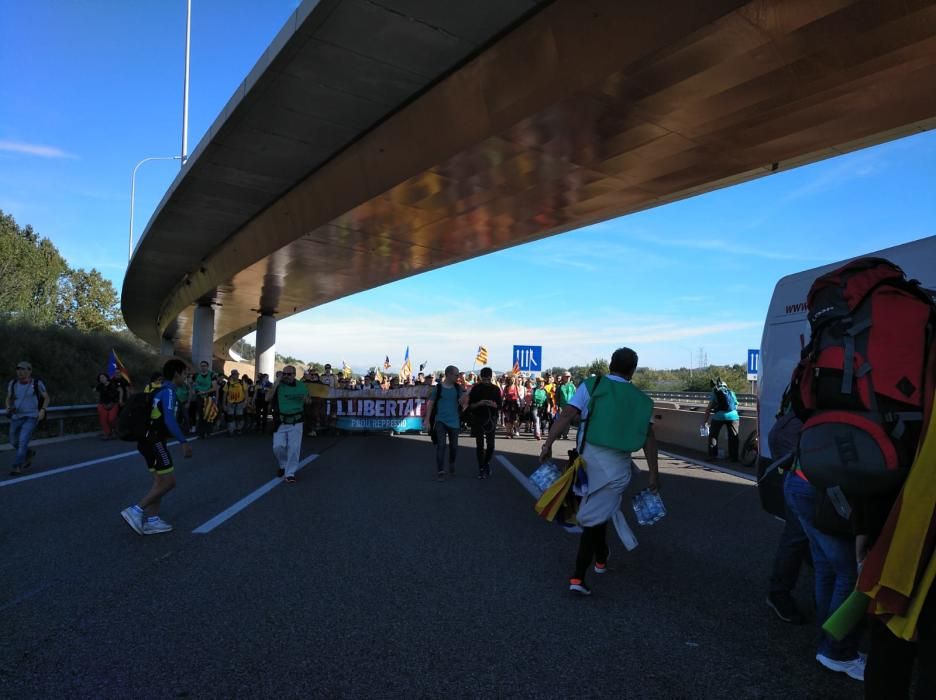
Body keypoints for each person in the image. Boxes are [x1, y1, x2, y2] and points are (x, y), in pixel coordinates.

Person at [539, 347, 659, 597]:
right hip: (617, 470)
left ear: (610, 364)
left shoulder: (592, 386)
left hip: (586, 465)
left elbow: (566, 414)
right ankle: (580, 574)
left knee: (594, 516)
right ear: (633, 371)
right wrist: (653, 473)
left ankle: (596, 561)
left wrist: (547, 443)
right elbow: (649, 437)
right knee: (596, 518)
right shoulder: (640, 399)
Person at [120, 358, 192, 535]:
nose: (187, 378)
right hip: (155, 441)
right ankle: (136, 510)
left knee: (160, 482)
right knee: (169, 482)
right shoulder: (168, 392)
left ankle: (153, 520)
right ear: (176, 374)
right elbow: (169, 419)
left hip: (146, 441)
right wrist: (183, 442)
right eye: (185, 374)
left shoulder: (160, 390)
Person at [266, 365, 311, 483]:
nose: (286, 376)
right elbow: (267, 398)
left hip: (296, 421)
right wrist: (276, 383)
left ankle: (290, 473)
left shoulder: (301, 386)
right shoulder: (279, 386)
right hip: (281, 421)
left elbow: (308, 400)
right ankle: (283, 464)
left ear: (294, 375)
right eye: (284, 374)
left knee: (294, 448)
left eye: (289, 374)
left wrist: (306, 400)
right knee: (277, 447)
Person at [6, 361, 50, 476]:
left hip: (31, 416)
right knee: (13, 441)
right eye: (18, 369)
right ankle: (29, 453)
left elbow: (46, 397)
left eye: (24, 369)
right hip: (16, 416)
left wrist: (43, 410)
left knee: (22, 441)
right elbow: (8, 397)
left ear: (30, 371)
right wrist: (8, 407)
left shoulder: (36, 383)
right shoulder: (13, 383)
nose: (20, 371)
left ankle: (17, 466)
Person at [425, 365, 463, 481]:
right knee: (441, 446)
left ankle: (452, 463)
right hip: (440, 420)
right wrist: (427, 420)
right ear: (448, 375)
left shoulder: (458, 388)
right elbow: (430, 404)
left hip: (454, 421)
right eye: (456, 375)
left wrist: (465, 400)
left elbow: (463, 403)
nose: (458, 377)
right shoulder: (438, 388)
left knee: (454, 447)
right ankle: (440, 470)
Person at [467, 367, 502, 479]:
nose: (487, 381)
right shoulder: (476, 388)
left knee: (491, 445)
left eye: (488, 379)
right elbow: (470, 406)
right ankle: (481, 467)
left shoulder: (496, 389)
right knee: (480, 445)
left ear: (491, 377)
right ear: (481, 377)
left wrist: (494, 405)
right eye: (485, 379)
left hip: (491, 419)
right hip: (478, 418)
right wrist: (480, 403)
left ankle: (486, 462)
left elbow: (500, 405)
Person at [703, 378, 740, 461]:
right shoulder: (731, 392)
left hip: (719, 416)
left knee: (713, 435)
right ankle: (734, 457)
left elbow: (708, 409)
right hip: (733, 416)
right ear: (725, 386)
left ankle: (713, 456)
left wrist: (705, 422)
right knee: (733, 437)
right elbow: (736, 406)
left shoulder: (715, 392)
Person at [192, 361, 217, 439]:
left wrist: (205, 392)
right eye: (202, 366)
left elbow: (214, 387)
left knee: (208, 415)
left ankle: (208, 432)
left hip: (209, 398)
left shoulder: (212, 375)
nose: (203, 367)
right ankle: (200, 433)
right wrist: (196, 391)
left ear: (207, 366)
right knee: (200, 415)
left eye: (205, 366)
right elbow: (194, 386)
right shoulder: (196, 375)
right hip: (199, 397)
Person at [95, 372, 124, 440]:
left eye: (103, 377)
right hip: (103, 404)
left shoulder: (113, 383)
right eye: (100, 378)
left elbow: (121, 390)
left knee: (112, 418)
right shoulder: (100, 386)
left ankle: (116, 431)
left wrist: (120, 400)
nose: (102, 379)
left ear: (106, 377)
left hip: (113, 403)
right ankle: (108, 433)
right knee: (103, 419)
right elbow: (95, 390)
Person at [556, 371, 577, 440]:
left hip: (571, 406)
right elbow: (557, 397)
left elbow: (575, 396)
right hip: (562, 406)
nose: (568, 378)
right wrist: (557, 406)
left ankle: (565, 434)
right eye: (566, 377)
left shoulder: (573, 386)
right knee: (561, 421)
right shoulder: (560, 386)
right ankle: (559, 434)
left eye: (569, 377)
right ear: (563, 377)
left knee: (568, 421)